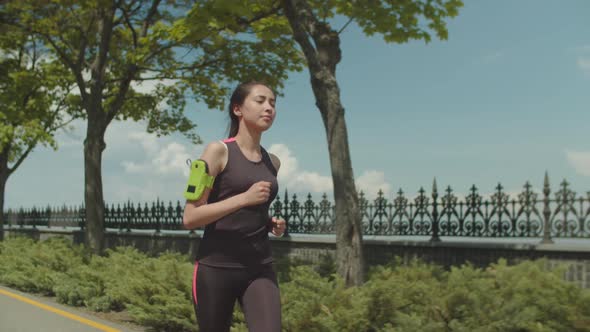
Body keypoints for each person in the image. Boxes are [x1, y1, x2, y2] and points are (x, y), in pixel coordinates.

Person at [182, 81, 286, 332]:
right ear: (238, 109)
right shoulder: (217, 151)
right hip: (216, 269)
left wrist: (268, 222)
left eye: (272, 103)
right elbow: (190, 217)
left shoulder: (273, 161)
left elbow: (249, 210)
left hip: (260, 268)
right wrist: (244, 199)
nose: (269, 107)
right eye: (260, 101)